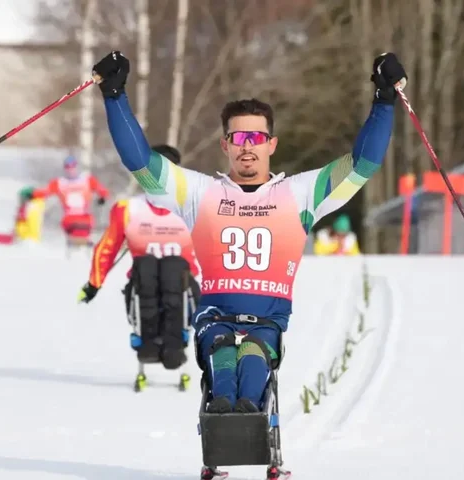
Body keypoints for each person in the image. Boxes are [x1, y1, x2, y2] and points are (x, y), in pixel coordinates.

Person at [92, 50, 405, 479]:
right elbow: (141, 162)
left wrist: (384, 100)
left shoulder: (300, 194)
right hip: (215, 316)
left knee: (254, 359)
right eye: (238, 139)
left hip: (266, 321)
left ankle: (252, 432)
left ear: (272, 144)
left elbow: (363, 165)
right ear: (225, 145)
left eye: (256, 139)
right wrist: (114, 96)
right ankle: (222, 434)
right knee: (223, 358)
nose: (247, 148)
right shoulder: (198, 193)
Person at [77, 145, 202, 384]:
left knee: (173, 267)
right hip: (143, 283)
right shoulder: (129, 209)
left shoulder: (194, 207)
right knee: (147, 265)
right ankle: (149, 342)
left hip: (183, 285)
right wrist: (94, 284)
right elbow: (107, 248)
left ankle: (175, 342)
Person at [28, 155, 110, 246]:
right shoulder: (60, 182)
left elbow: (101, 190)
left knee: (84, 229)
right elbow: (45, 192)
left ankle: (83, 243)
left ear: (77, 167)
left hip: (85, 217)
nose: (71, 170)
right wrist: (32, 194)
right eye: (68, 167)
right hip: (69, 219)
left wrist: (102, 197)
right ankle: (76, 243)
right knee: (74, 232)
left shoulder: (87, 180)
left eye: (73, 167)